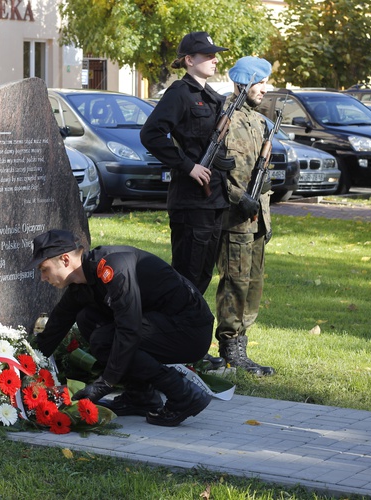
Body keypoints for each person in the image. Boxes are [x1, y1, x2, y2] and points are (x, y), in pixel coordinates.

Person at [26, 229, 215, 427]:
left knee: (105, 339)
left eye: (44, 269)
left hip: (190, 329)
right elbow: (58, 322)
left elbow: (129, 330)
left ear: (65, 260)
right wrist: (26, 364)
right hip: (166, 324)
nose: (42, 277)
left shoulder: (114, 268)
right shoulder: (83, 279)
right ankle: (140, 396)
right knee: (87, 319)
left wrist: (104, 384)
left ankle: (184, 394)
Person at [140, 31, 231, 295]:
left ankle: (190, 331)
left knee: (202, 276)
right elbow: (151, 134)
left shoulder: (212, 95)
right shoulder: (179, 93)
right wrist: (188, 166)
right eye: (208, 55)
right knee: (185, 278)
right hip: (191, 201)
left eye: (215, 55)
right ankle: (171, 331)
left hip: (214, 198)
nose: (215, 60)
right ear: (189, 60)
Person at [214, 56, 276, 376]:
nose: (265, 89)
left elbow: (261, 172)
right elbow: (223, 174)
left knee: (253, 284)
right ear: (243, 83)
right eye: (260, 82)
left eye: (266, 82)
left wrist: (265, 212)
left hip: (257, 218)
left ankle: (242, 341)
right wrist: (241, 199)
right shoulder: (228, 116)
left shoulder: (258, 120)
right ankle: (230, 344)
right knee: (235, 282)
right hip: (236, 217)